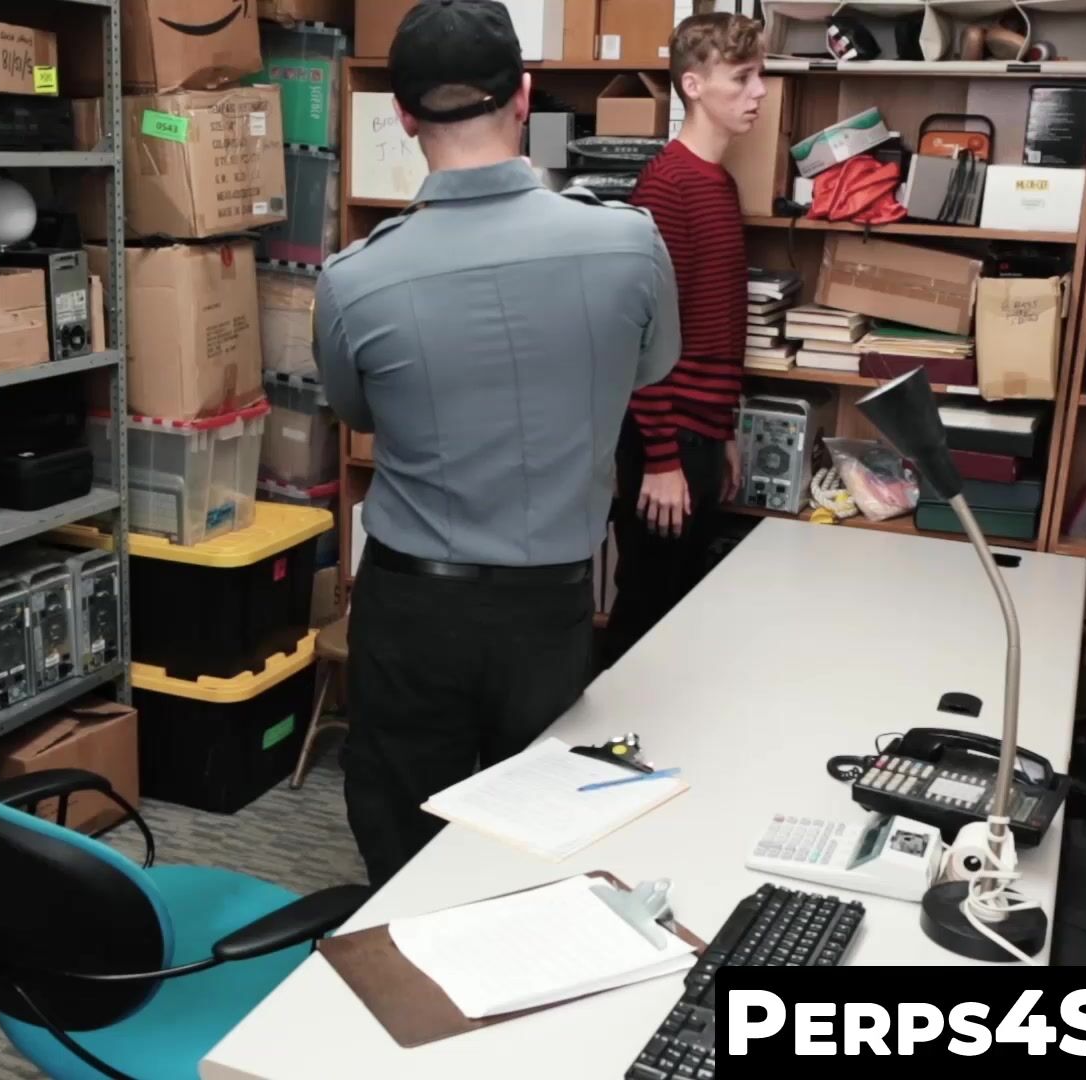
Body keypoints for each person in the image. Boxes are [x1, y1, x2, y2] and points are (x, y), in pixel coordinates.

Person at [316, 0, 680, 888]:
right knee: (540, 841)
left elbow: (358, 413)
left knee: (404, 845)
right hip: (550, 609)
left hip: (411, 606)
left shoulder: (354, 279)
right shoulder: (629, 244)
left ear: (403, 116)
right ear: (523, 94)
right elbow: (647, 369)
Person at [603, 12, 768, 668]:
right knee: (646, 613)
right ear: (693, 86)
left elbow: (715, 325)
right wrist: (663, 459)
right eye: (742, 77)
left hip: (699, 433)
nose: (759, 91)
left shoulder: (717, 183)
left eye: (760, 75)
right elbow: (639, 337)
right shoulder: (667, 187)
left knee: (681, 613)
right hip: (664, 440)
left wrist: (722, 429)